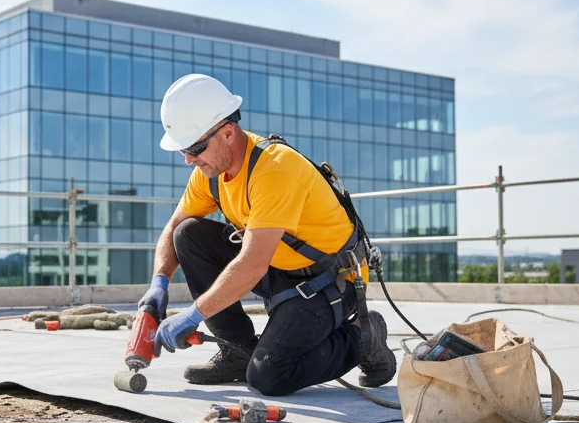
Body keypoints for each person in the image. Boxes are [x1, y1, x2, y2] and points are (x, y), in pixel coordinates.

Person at [140, 73, 395, 396]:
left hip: (328, 282)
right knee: (188, 235)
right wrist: (158, 284)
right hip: (278, 267)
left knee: (269, 376)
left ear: (228, 132)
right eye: (183, 151)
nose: (189, 159)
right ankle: (237, 350)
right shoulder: (210, 173)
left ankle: (364, 336)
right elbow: (174, 227)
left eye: (195, 148)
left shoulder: (275, 169)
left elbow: (252, 264)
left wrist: (194, 315)